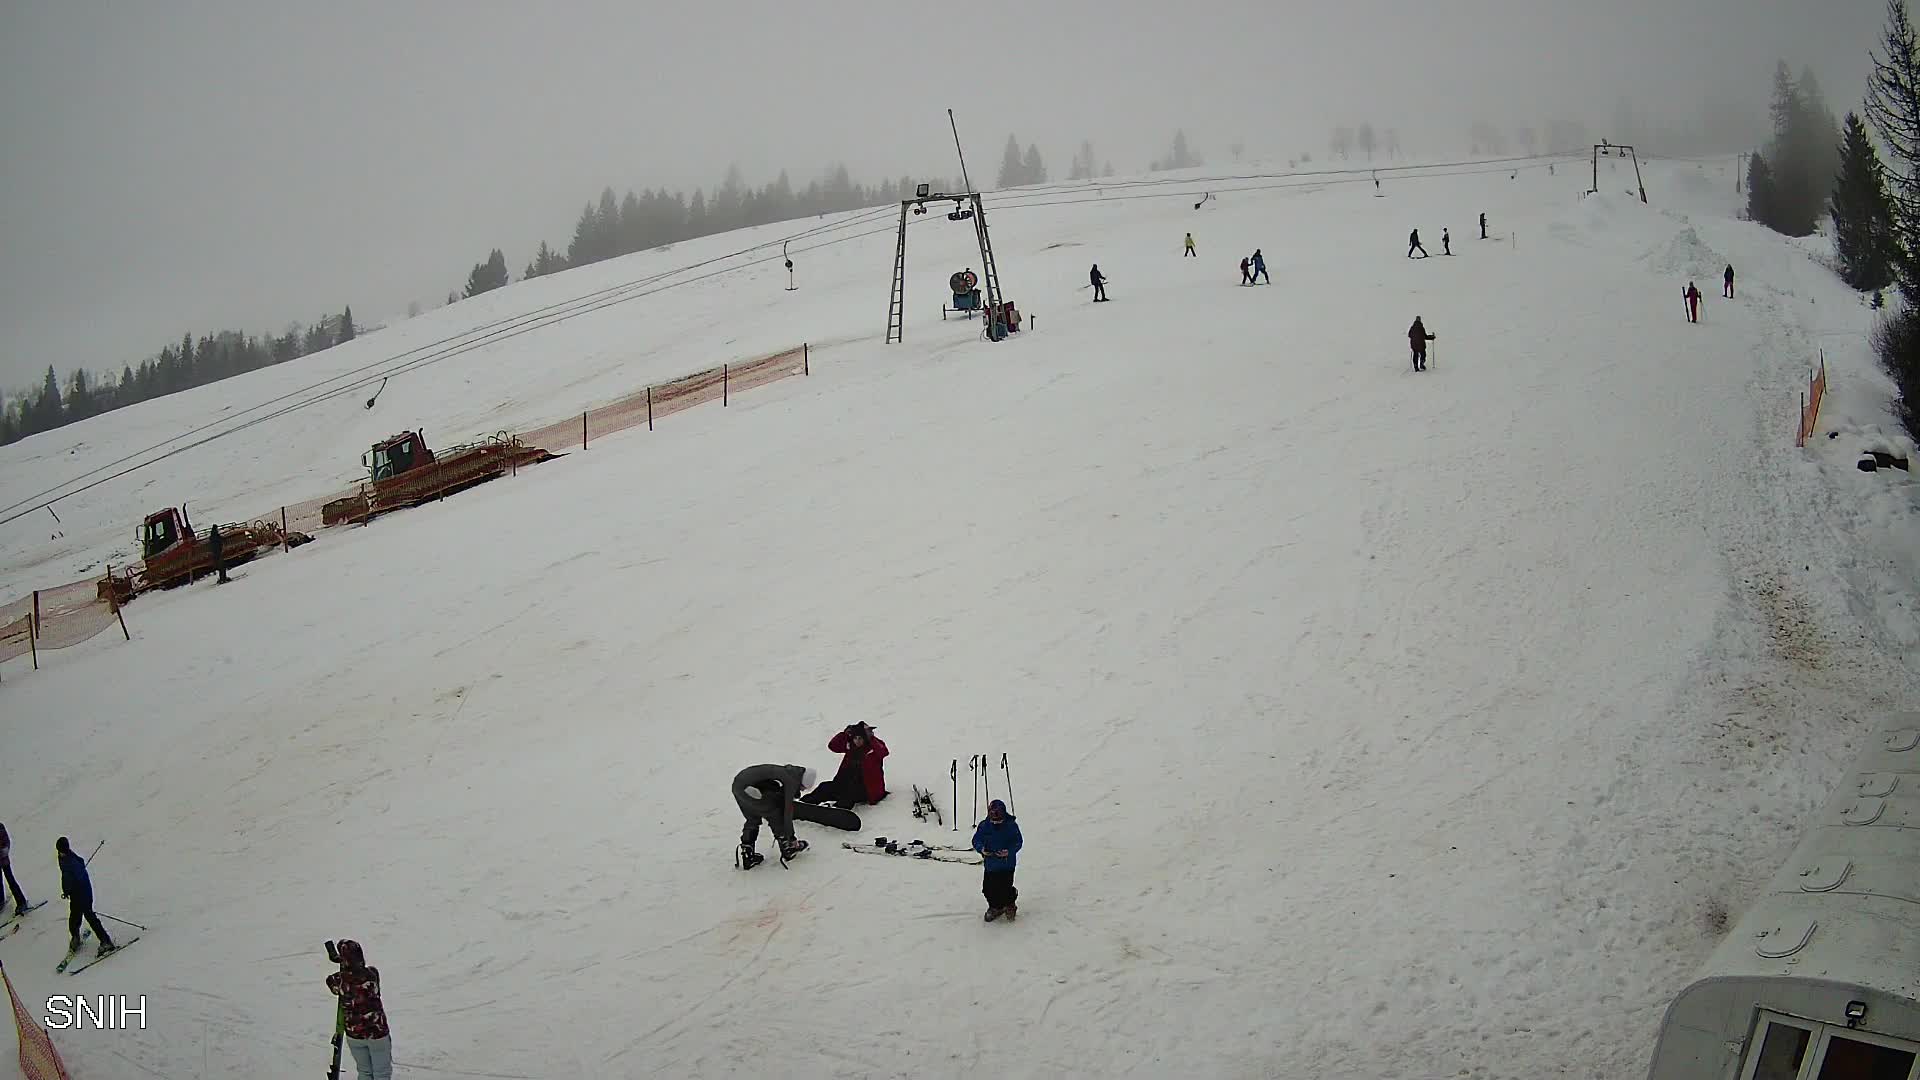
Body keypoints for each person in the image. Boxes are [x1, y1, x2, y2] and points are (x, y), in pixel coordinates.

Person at [326, 940, 393, 1080]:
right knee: (382, 1073)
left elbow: (331, 982)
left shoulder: (338, 980)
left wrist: (340, 962)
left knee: (364, 1072)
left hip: (355, 1034)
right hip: (377, 1032)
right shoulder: (372, 974)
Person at [732, 763, 816, 868]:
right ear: (802, 782)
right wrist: (791, 837)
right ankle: (788, 847)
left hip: (738, 785)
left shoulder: (790, 772)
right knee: (775, 812)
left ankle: (747, 854)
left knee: (752, 818)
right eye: (803, 788)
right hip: (750, 788)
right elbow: (787, 811)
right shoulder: (792, 781)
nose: (802, 790)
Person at [804, 723, 889, 809]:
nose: (857, 741)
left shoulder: (872, 750)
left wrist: (871, 738)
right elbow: (832, 746)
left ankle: (838, 809)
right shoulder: (851, 747)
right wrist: (844, 734)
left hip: (866, 789)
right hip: (845, 784)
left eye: (860, 738)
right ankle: (804, 803)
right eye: (855, 738)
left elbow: (883, 752)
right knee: (825, 787)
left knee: (850, 792)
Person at [55, 837, 112, 956]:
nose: (59, 853)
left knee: (89, 916)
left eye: (60, 851)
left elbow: (72, 878)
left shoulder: (71, 862)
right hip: (76, 894)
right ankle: (75, 937)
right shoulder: (65, 858)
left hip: (82, 893)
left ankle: (106, 941)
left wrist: (68, 890)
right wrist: (67, 891)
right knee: (74, 917)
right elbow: (68, 875)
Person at [971, 799, 1023, 922]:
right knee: (988, 889)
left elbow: (1018, 842)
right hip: (991, 865)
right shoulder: (984, 826)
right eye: (992, 814)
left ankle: (1010, 904)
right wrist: (982, 849)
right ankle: (996, 907)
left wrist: (1008, 851)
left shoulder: (1011, 825)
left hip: (1007, 865)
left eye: (997, 814)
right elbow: (976, 840)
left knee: (1004, 888)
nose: (995, 818)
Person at [0, 823, 28, 916]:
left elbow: (6, 843)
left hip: (3, 860)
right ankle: (0, 900)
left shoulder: (0, 828)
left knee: (11, 880)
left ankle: (21, 902)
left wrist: (2, 852)